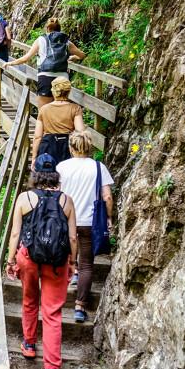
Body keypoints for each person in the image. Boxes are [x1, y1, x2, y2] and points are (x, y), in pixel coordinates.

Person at [5, 153, 78, 369]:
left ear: (35, 173)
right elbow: (73, 237)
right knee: (53, 313)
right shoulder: (66, 201)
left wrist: (9, 260)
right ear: (55, 174)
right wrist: (73, 262)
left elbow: (15, 233)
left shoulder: (24, 198)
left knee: (29, 300)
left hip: (28, 258)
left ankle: (28, 345)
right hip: (56, 261)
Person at [57, 130, 114, 323]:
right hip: (90, 222)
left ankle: (55, 299)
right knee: (87, 264)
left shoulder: (62, 167)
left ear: (71, 147)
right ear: (89, 147)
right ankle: (80, 307)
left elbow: (56, 194)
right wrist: (109, 217)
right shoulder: (98, 167)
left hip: (66, 221)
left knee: (64, 257)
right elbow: (107, 196)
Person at [3, 17, 86, 109]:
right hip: (62, 79)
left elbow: (26, 58)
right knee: (59, 111)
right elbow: (82, 55)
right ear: (59, 29)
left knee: (43, 112)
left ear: (47, 28)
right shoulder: (66, 42)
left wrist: (10, 63)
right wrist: (73, 57)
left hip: (46, 77)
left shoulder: (41, 40)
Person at [31, 77, 84, 168]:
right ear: (68, 91)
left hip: (48, 146)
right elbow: (80, 132)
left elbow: (37, 136)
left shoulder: (44, 109)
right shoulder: (75, 108)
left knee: (48, 177)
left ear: (53, 91)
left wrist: (34, 158)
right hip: (68, 146)